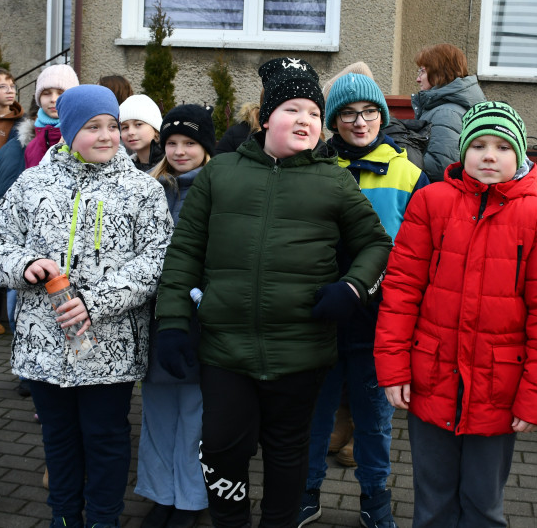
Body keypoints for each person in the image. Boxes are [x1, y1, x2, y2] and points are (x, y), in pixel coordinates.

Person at [155, 56, 392, 528]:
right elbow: (183, 254)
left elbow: (376, 244)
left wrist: (352, 287)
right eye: (292, 109)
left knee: (288, 452)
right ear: (266, 118)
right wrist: (173, 321)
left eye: (312, 112)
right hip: (224, 349)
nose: (304, 120)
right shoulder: (219, 175)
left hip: (301, 350)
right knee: (222, 448)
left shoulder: (333, 180)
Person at [0, 85, 173, 528]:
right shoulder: (33, 183)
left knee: (105, 438)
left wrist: (95, 301)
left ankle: (104, 519)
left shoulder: (142, 190)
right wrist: (25, 263)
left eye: (113, 126)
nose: (107, 136)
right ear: (68, 131)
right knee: (59, 438)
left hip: (110, 348)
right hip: (43, 344)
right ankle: (64, 517)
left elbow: (156, 260)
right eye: (92, 127)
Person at [375, 101, 537, 528]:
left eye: (502, 146)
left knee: (483, 505)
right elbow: (402, 291)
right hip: (432, 376)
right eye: (479, 144)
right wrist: (393, 368)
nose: (489, 155)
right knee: (433, 503)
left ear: (519, 156)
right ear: (463, 150)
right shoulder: (430, 203)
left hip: (499, 386)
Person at [298, 71, 427, 528]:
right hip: (324, 313)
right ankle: (307, 492)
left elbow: (421, 249)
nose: (359, 122)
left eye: (369, 113)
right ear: (334, 121)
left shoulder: (409, 172)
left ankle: (375, 497)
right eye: (348, 114)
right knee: (316, 414)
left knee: (374, 421)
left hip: (380, 317)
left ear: (382, 116)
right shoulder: (313, 166)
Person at [137, 104, 215, 528]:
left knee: (194, 415)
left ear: (206, 146)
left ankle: (191, 498)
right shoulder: (150, 186)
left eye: (190, 142)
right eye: (172, 142)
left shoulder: (218, 187)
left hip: (197, 318)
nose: (180, 151)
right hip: (154, 318)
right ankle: (160, 492)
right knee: (157, 411)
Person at [0, 64, 79, 211]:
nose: (53, 99)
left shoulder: (83, 143)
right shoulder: (19, 145)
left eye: (60, 92)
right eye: (46, 93)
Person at [411, 44, 485, 183]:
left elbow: (440, 167)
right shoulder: (441, 107)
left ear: (439, 72)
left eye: (422, 71)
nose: (418, 79)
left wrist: (402, 160)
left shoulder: (446, 112)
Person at [119, 94, 164, 171]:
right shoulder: (123, 169)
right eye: (125, 127)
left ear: (155, 130)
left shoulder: (172, 165)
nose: (130, 132)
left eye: (138, 124)